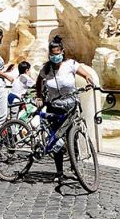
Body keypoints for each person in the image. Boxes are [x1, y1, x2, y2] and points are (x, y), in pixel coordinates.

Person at [35, 36, 98, 186]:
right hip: (54, 107)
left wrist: (90, 79)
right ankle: (59, 172)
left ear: (62, 52)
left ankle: (75, 167)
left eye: (57, 53)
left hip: (71, 107)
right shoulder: (46, 68)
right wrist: (38, 95)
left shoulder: (70, 64)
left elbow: (85, 73)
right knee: (57, 139)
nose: (55, 56)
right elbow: (38, 81)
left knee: (73, 137)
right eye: (52, 54)